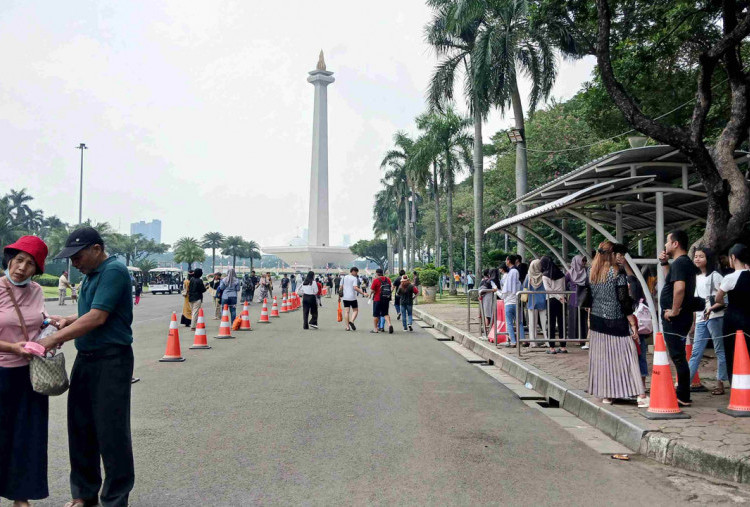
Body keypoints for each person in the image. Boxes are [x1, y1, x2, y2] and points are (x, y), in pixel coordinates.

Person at [41, 227, 136, 507]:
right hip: (87, 359)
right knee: (80, 427)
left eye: (77, 256)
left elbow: (97, 317)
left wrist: (53, 339)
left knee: (111, 431)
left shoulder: (113, 270)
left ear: (96, 249)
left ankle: (115, 499)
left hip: (111, 360)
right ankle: (84, 494)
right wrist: (67, 320)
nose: (74, 263)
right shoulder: (92, 274)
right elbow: (87, 313)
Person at [0, 236, 50, 505]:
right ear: (10, 259)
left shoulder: (37, 291)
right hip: (1, 372)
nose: (22, 267)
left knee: (27, 438)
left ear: (36, 269)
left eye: (30, 263)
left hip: (30, 375)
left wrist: (50, 333)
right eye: (19, 260)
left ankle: (21, 497)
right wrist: (12, 347)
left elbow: (39, 322)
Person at [587, 240, 648, 406]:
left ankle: (607, 395)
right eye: (618, 254)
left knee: (604, 359)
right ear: (612, 254)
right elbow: (623, 300)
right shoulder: (617, 273)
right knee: (628, 357)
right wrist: (633, 323)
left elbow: (589, 299)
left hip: (597, 322)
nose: (619, 257)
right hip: (616, 321)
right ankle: (640, 395)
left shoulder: (592, 273)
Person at [659, 229, 697, 406]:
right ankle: (682, 392)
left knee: (678, 356)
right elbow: (672, 282)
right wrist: (665, 264)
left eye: (668, 241)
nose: (665, 245)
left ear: (675, 244)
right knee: (678, 355)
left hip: (675, 318)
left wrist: (674, 311)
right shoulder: (679, 264)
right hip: (679, 316)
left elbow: (679, 289)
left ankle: (683, 395)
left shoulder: (681, 263)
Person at [708, 243, 750, 382]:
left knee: (733, 351)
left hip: (734, 318)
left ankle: (737, 384)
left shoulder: (730, 277)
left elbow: (718, 298)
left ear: (733, 257)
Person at [688, 247, 727, 395]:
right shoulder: (697, 277)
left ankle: (720, 383)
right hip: (700, 317)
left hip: (715, 317)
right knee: (696, 352)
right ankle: (685, 384)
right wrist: (693, 321)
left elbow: (725, 298)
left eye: (701, 256)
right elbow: (696, 302)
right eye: (696, 256)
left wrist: (711, 308)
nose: (697, 259)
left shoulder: (716, 276)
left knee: (719, 350)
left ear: (707, 259)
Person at [541, 256, 566, 353]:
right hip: (562, 300)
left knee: (551, 323)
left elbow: (548, 289)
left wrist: (557, 296)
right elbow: (563, 288)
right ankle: (563, 346)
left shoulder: (545, 275)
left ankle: (551, 347)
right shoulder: (561, 274)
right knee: (561, 323)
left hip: (551, 300)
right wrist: (561, 297)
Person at [523, 259, 548, 347]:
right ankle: (547, 341)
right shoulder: (544, 276)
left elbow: (525, 286)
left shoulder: (528, 276)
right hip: (543, 301)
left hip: (531, 302)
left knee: (532, 324)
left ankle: (533, 342)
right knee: (544, 323)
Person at [565, 255, 589, 346]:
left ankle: (583, 338)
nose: (584, 263)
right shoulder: (570, 273)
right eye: (582, 261)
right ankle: (576, 338)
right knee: (575, 319)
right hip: (575, 299)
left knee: (584, 319)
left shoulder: (586, 271)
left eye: (585, 261)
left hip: (583, 299)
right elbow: (564, 283)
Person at [501, 263, 524, 346]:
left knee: (509, 323)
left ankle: (513, 341)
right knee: (520, 323)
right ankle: (522, 340)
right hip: (517, 304)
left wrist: (496, 291)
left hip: (508, 304)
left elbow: (503, 295)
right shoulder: (519, 284)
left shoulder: (507, 283)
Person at [370, 268, 394, 334]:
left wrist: (370, 295)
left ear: (377, 273)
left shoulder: (376, 280)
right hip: (386, 299)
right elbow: (391, 287)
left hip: (377, 299)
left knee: (376, 315)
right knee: (385, 313)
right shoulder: (388, 279)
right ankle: (389, 325)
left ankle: (375, 329)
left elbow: (372, 290)